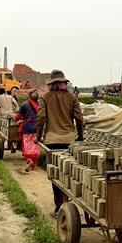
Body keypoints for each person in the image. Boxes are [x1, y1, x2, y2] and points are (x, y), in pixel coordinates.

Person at [36, 69, 83, 215]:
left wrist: (38, 136)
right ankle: (67, 202)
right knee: (68, 173)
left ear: (52, 84)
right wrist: (80, 136)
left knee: (55, 175)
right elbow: (79, 118)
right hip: (69, 141)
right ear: (63, 83)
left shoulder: (45, 97)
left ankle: (60, 206)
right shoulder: (72, 97)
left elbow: (41, 117)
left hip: (52, 141)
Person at [17, 89, 41, 170]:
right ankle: (34, 163)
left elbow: (18, 117)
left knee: (26, 144)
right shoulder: (39, 105)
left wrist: (16, 119)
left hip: (27, 126)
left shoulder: (24, 104)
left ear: (29, 96)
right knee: (35, 145)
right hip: (37, 126)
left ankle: (29, 160)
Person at [0, 87, 19, 151]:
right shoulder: (10, 97)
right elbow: (16, 104)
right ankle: (13, 144)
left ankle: (11, 144)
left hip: (3, 114)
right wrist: (17, 110)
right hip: (11, 114)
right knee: (12, 126)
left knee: (6, 128)